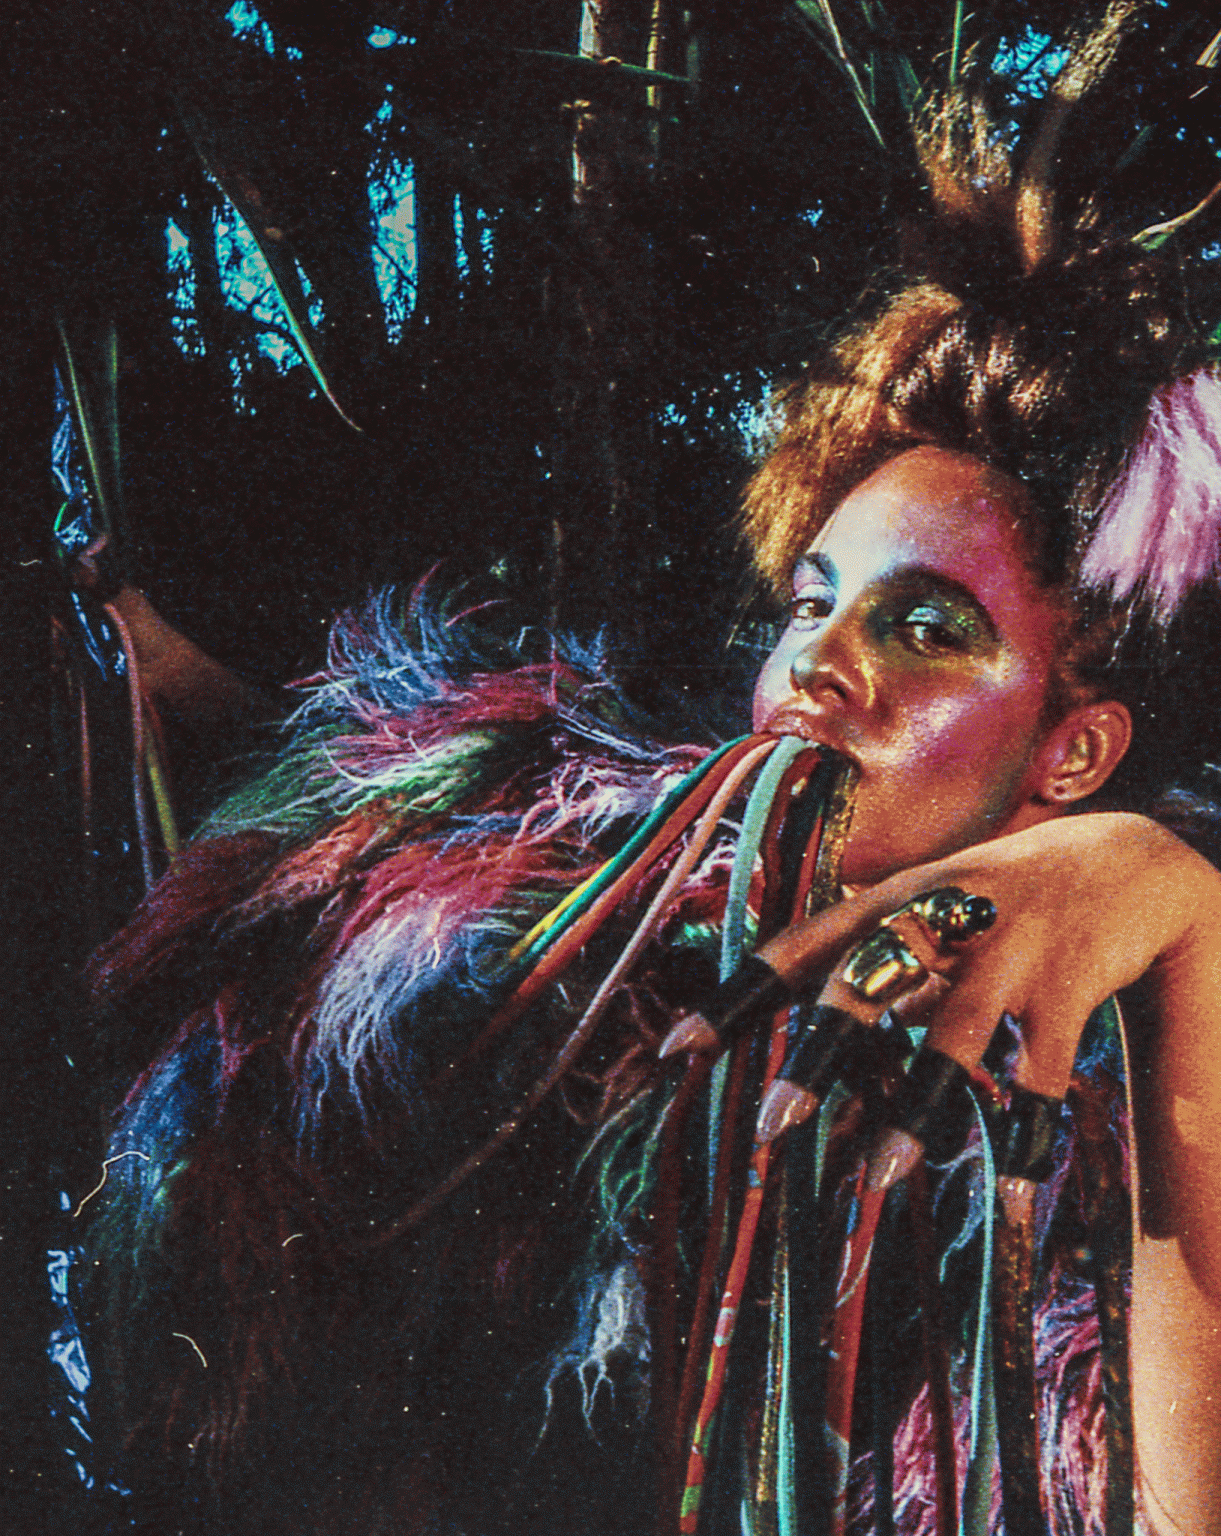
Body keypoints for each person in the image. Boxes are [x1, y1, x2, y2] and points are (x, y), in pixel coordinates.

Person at [56, 56, 1221, 1536]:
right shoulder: (523, 897)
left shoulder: (1095, 1122)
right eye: (812, 603)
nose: (823, 664)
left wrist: (1181, 918)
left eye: (929, 627)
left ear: (1075, 754)